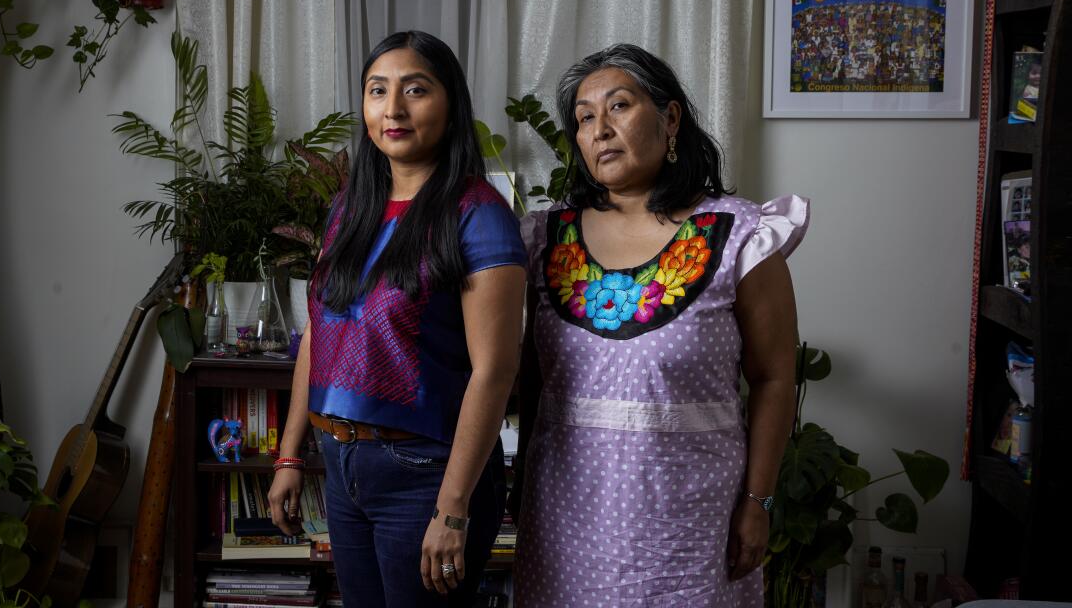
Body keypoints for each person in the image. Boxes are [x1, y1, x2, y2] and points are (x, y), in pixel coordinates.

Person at [512, 43, 808, 606]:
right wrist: (523, 473)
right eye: (583, 118)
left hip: (694, 521)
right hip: (565, 515)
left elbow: (774, 377)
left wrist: (758, 501)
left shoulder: (740, 234)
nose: (600, 129)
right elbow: (532, 376)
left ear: (670, 119)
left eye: (619, 106)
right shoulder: (546, 239)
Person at [267, 30, 527, 607]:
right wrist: (291, 453)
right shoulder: (347, 209)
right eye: (377, 91)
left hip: (426, 473)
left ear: (451, 103)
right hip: (341, 463)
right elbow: (320, 335)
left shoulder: (479, 214)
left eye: (415, 90)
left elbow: (495, 370)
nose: (393, 109)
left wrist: (453, 507)